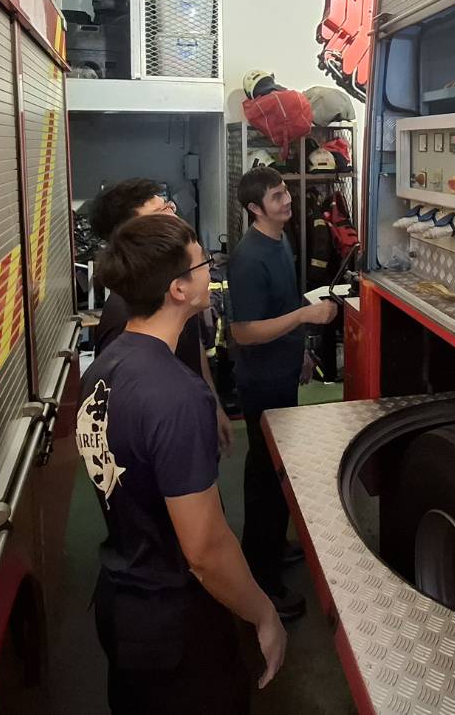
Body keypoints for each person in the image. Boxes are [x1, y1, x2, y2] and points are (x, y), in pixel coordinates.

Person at [78, 213, 286, 714]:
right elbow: (205, 549)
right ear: (178, 288)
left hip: (121, 603)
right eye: (203, 264)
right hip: (174, 623)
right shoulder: (175, 396)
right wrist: (264, 616)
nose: (210, 273)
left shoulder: (103, 368)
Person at [227, 167, 338, 620]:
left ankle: (273, 546)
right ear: (255, 208)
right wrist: (305, 320)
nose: (288, 200)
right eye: (277, 196)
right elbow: (245, 332)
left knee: (276, 472)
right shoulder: (249, 257)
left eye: (286, 191)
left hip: (284, 369)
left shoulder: (281, 239)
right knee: (264, 478)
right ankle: (262, 579)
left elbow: (285, 303)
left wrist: (303, 352)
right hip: (261, 382)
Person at [90, 178, 233, 454]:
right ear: (130, 235)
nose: (174, 217)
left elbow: (195, 349)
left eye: (169, 206)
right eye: (160, 213)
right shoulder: (123, 316)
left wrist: (213, 405)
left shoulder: (174, 295)